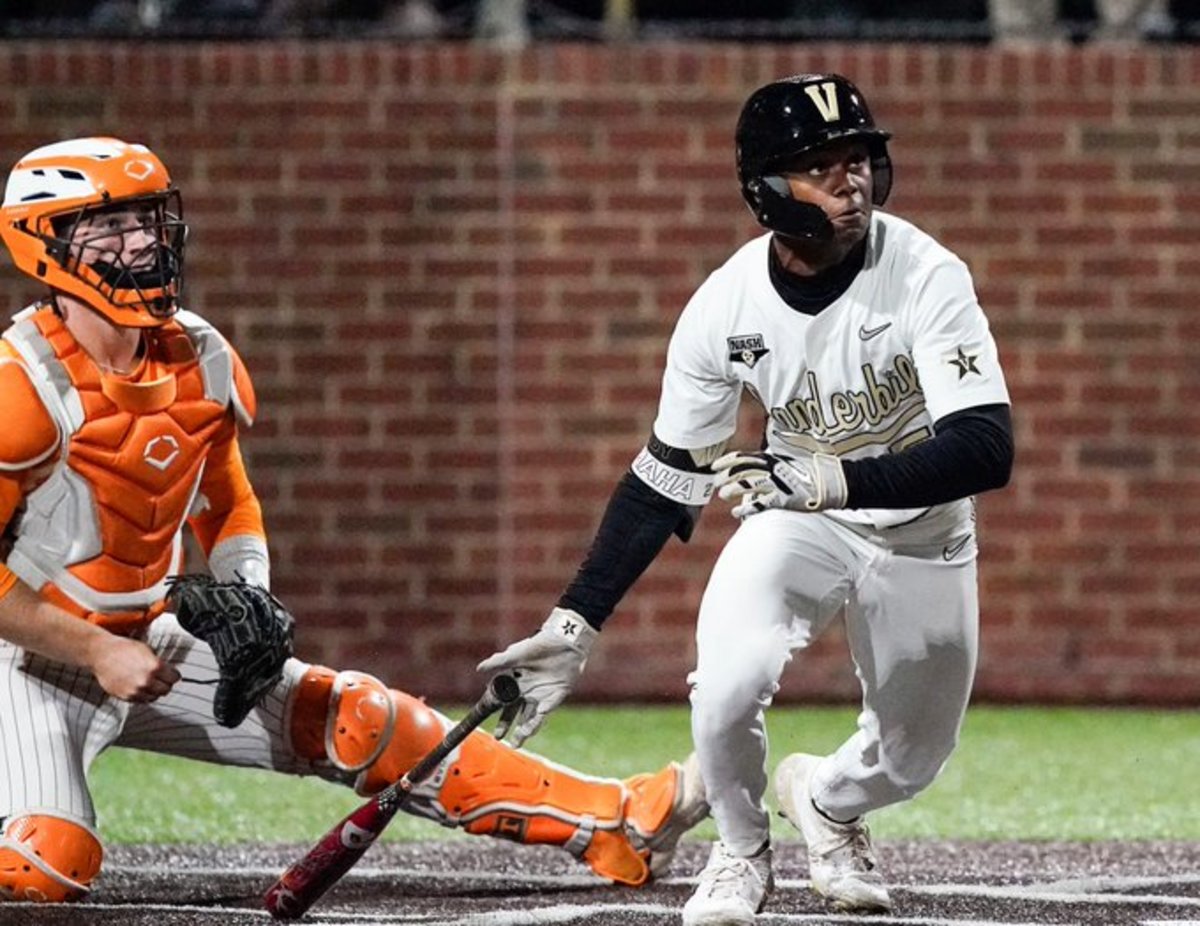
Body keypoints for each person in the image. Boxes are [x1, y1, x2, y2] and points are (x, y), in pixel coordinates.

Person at [0, 137, 707, 904]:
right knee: (46, 864)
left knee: (354, 718)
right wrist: (97, 651)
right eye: (111, 225)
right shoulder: (22, 386)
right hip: (28, 661)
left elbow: (225, 497)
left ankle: (617, 821)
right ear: (48, 245)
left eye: (147, 219)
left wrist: (251, 592)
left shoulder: (198, 356)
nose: (141, 242)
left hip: (142, 643)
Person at [480, 73, 1014, 924]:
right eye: (822, 165)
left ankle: (826, 800)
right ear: (767, 190)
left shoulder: (924, 272)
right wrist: (575, 623)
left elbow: (987, 448)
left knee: (913, 761)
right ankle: (739, 851)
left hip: (922, 530)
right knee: (727, 686)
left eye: (860, 158)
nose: (854, 180)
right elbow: (665, 477)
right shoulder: (725, 305)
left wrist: (831, 474)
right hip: (801, 520)